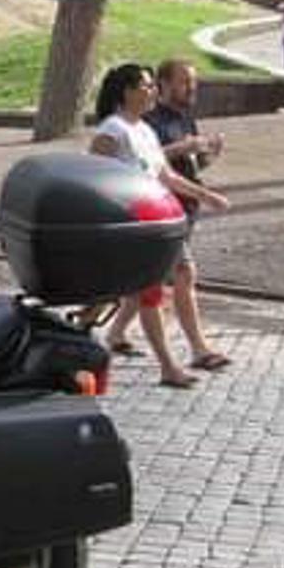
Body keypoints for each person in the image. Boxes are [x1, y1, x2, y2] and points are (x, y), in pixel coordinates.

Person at [88, 63, 230, 388]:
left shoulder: (143, 130)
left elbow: (167, 176)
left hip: (159, 219)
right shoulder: (112, 131)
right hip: (134, 222)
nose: (152, 91)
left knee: (177, 276)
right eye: (146, 86)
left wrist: (206, 196)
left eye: (153, 85)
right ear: (126, 91)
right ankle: (168, 365)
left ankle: (117, 337)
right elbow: (94, 178)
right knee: (150, 292)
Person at [145, 60, 232, 374]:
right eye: (184, 82)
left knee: (147, 283)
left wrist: (209, 155)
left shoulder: (185, 118)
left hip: (185, 211)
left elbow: (191, 168)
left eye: (193, 82)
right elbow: (150, 164)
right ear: (164, 85)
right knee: (184, 274)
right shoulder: (149, 122)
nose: (191, 88)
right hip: (162, 211)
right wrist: (180, 148)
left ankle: (111, 333)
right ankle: (199, 349)